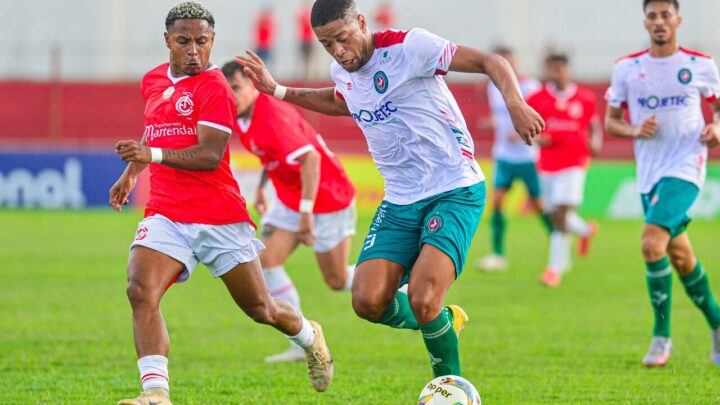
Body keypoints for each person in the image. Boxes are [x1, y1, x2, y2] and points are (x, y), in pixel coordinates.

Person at [237, 0, 544, 377]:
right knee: (366, 301)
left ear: (362, 23)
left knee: (422, 297)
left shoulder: (409, 47)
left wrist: (515, 104)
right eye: (327, 44)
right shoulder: (341, 70)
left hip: (454, 187)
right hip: (400, 199)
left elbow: (492, 62)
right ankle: (443, 321)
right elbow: (339, 101)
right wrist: (279, 90)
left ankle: (450, 388)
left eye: (343, 39)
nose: (338, 51)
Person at [109, 3, 333, 404]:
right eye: (184, 41)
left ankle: (307, 334)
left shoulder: (216, 88)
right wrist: (131, 174)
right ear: (167, 42)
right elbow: (154, 126)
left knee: (261, 309)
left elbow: (210, 155)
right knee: (140, 290)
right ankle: (156, 393)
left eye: (202, 41)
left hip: (217, 217)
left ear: (212, 41)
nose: (194, 50)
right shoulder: (153, 81)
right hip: (166, 211)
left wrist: (152, 157)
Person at [605, 0, 720, 367]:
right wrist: (634, 129)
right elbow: (611, 122)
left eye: (665, 15)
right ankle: (718, 327)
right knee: (681, 257)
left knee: (651, 241)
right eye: (652, 16)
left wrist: (716, 127)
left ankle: (661, 337)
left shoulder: (699, 65)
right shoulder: (627, 68)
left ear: (677, 20)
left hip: (687, 164)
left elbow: (718, 111)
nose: (659, 22)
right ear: (645, 22)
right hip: (649, 173)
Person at [222, 60, 357, 363]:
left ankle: (394, 284)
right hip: (291, 198)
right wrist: (261, 186)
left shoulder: (272, 116)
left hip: (326, 196)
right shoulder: (243, 118)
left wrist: (306, 212)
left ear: (251, 85)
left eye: (237, 88)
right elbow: (274, 156)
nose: (232, 97)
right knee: (264, 259)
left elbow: (311, 160)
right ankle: (302, 342)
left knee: (336, 279)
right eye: (226, 91)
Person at [527, 53, 602, 287]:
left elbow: (594, 126)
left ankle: (553, 269)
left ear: (568, 70)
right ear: (548, 71)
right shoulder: (537, 98)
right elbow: (527, 126)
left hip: (575, 161)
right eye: (553, 68)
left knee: (560, 212)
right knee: (554, 213)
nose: (558, 72)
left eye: (561, 68)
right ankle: (585, 230)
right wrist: (536, 138)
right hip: (547, 164)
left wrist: (596, 142)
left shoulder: (585, 98)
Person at [477, 46, 552, 272]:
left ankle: (558, 244)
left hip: (528, 156)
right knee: (497, 201)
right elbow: (503, 116)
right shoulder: (493, 87)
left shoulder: (532, 86)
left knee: (538, 205)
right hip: (503, 156)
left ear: (516, 62)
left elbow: (543, 118)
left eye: (509, 61)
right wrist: (493, 123)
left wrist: (521, 135)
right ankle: (498, 254)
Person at [297, 1, 316, 80]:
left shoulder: (310, 13)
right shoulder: (302, 13)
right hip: (304, 39)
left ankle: (310, 76)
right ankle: (305, 75)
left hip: (309, 39)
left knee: (310, 58)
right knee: (304, 58)